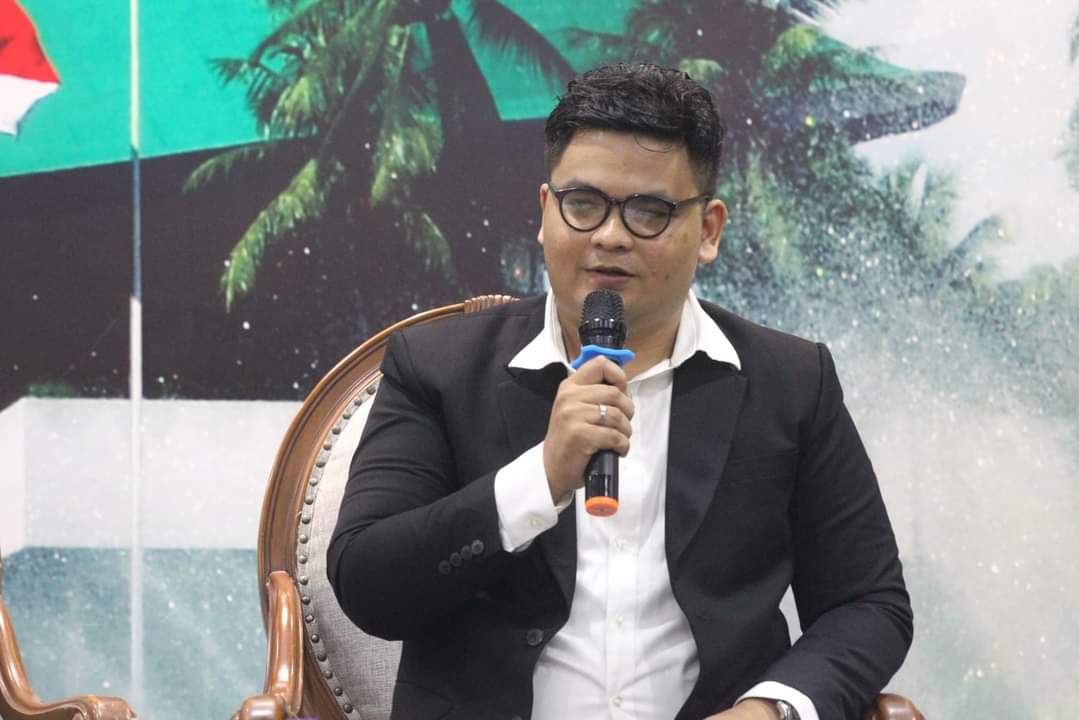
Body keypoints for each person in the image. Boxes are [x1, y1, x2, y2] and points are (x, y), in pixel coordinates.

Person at [328, 63, 912, 720]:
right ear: (545, 213)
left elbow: (868, 603)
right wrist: (542, 476)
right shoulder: (438, 368)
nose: (609, 235)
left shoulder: (791, 381)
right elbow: (368, 586)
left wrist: (771, 710)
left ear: (709, 230)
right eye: (583, 204)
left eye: (648, 212)